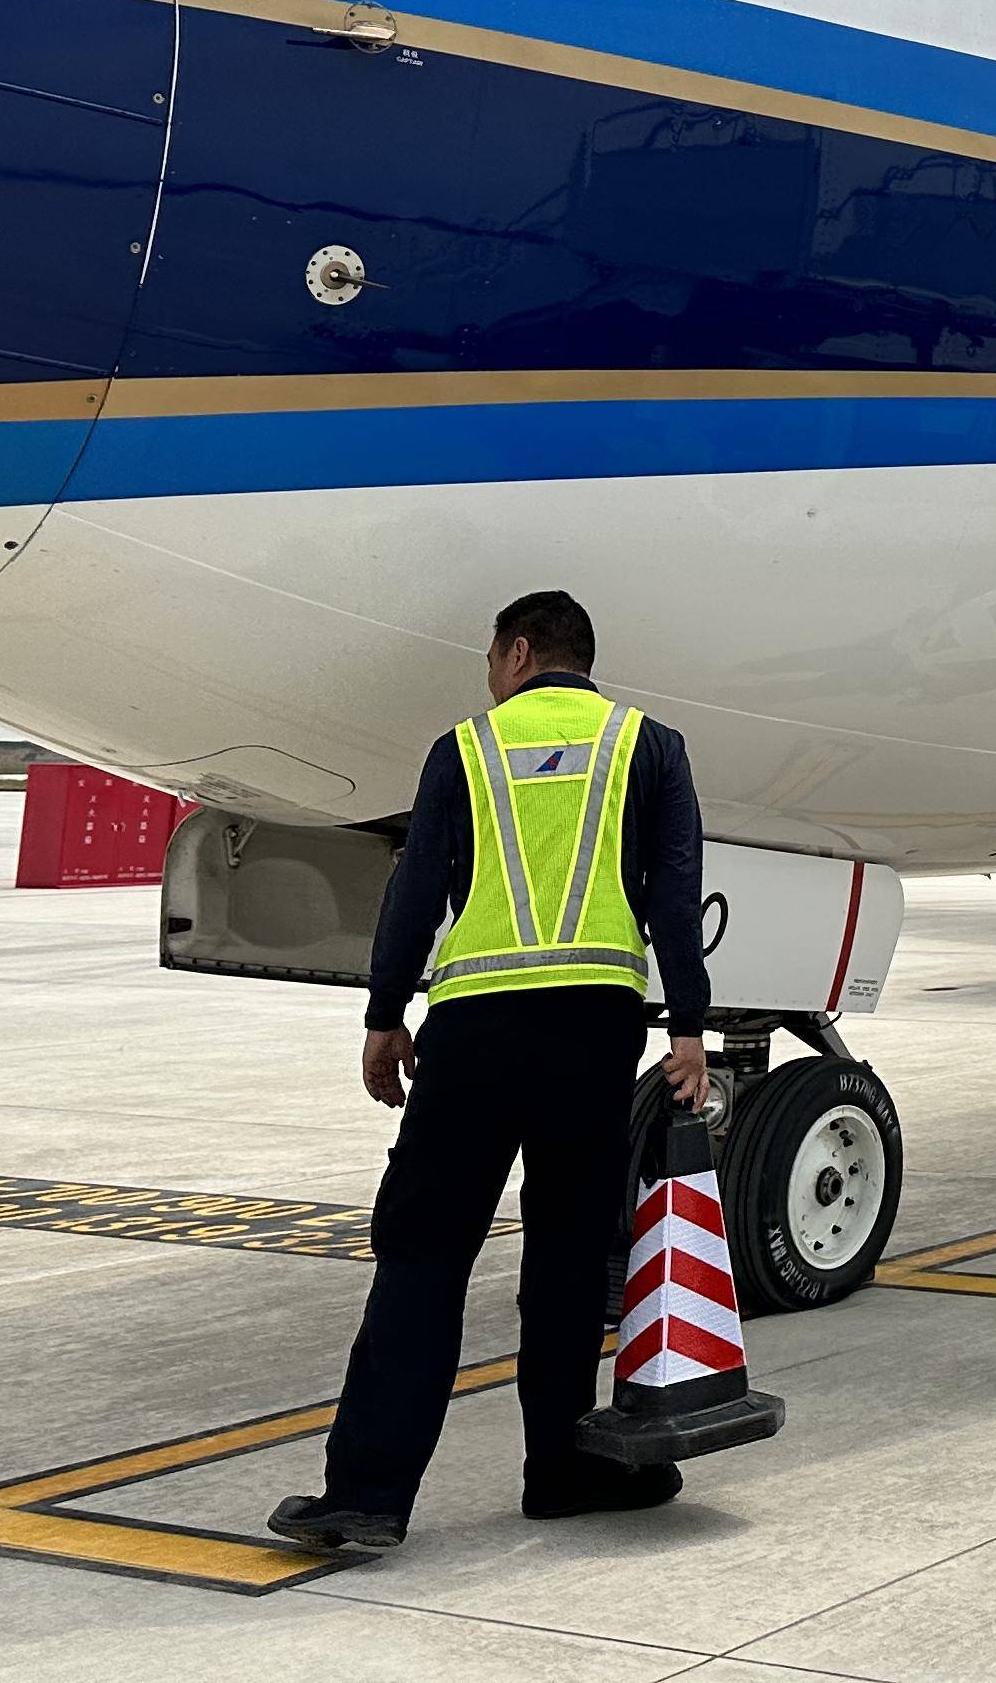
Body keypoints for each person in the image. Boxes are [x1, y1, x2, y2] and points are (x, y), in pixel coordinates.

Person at [269, 591, 709, 1556]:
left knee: (423, 1254)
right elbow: (675, 894)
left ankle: (367, 1496)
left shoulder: (464, 750)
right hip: (594, 1031)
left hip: (471, 1030)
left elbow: (415, 890)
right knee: (564, 1257)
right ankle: (560, 1471)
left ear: (517, 652)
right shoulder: (652, 746)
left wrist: (386, 1015)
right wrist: (687, 1029)